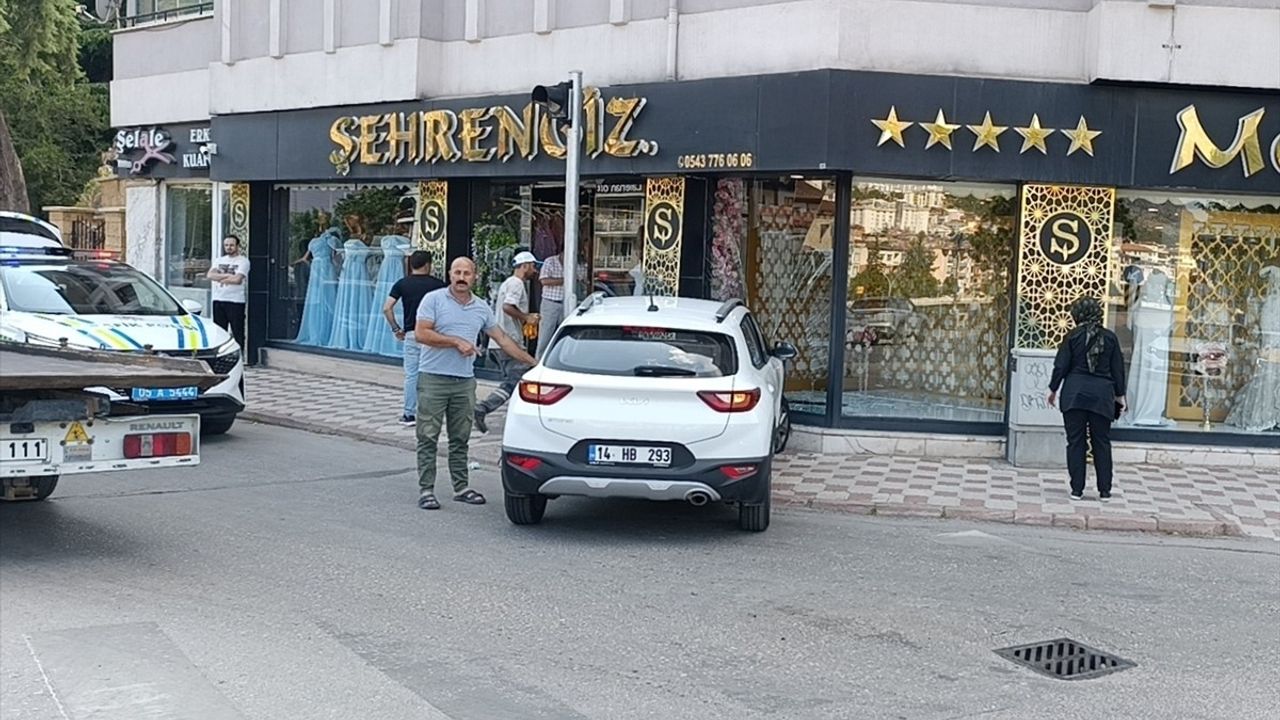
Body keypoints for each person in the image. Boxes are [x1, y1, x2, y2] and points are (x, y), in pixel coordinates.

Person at [413, 256, 535, 510]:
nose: (461, 277)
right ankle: (426, 490)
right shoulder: (433, 300)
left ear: (474, 277)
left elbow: (502, 338)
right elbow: (421, 333)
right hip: (433, 378)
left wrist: (533, 363)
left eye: (466, 273)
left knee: (460, 437)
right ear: (449, 274)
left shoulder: (481, 308)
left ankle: (461, 487)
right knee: (428, 436)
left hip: (464, 382)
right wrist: (456, 341)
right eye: (457, 272)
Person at [1047, 297, 1127, 502]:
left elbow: (1061, 365)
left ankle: (1076, 489)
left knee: (1075, 441)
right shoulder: (1110, 338)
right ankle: (1105, 490)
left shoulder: (1072, 336)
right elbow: (1118, 370)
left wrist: (1053, 389)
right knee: (1101, 441)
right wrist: (1120, 396)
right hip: (1102, 396)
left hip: (1075, 394)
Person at [474, 251, 541, 434]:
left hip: (501, 342)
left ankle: (516, 419)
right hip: (508, 342)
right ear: (525, 265)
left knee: (515, 382)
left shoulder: (508, 283)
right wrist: (526, 317)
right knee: (515, 381)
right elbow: (507, 307)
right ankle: (484, 407)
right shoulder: (517, 284)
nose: (534, 271)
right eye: (533, 266)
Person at [383, 250, 444, 426]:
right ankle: (432, 412)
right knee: (432, 373)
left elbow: (387, 308)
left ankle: (409, 414)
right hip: (432, 335)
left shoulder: (402, 284)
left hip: (411, 334)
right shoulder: (438, 285)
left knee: (411, 375)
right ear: (428, 264)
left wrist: (396, 328)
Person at [206, 234, 250, 349]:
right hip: (218, 299)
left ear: (237, 246)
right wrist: (227, 275)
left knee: (237, 331)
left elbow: (237, 279)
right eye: (226, 245)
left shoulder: (243, 261)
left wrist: (219, 277)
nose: (229, 247)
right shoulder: (219, 260)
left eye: (231, 245)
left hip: (235, 301)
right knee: (219, 332)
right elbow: (210, 275)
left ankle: (239, 355)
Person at [536, 244, 564, 358]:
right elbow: (544, 280)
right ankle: (538, 362)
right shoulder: (550, 261)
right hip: (551, 303)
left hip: (567, 303)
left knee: (564, 336)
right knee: (545, 335)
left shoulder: (576, 263)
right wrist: (564, 280)